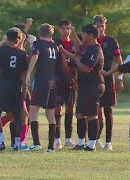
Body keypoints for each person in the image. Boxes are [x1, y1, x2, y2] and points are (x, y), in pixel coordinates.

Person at [60, 24, 105, 151]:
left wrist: (78, 60)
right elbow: (77, 51)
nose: (82, 36)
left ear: (91, 35)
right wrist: (64, 51)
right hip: (84, 86)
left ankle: (91, 144)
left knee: (92, 115)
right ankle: (80, 143)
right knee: (79, 114)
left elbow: (86, 68)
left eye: (84, 34)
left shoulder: (96, 50)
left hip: (94, 85)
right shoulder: (86, 47)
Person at [0, 27, 28, 151]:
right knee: (17, 116)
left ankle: (1, 142)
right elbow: (24, 74)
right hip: (16, 87)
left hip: (3, 87)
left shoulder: (1, 51)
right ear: (18, 39)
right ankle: (16, 143)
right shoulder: (22, 54)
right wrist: (24, 90)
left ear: (7, 38)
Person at [24, 23, 59, 153]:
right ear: (51, 34)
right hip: (53, 81)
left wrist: (28, 73)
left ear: (39, 34)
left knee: (33, 111)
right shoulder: (55, 46)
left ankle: (37, 143)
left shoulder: (38, 44)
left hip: (42, 80)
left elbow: (35, 56)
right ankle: (50, 146)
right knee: (50, 113)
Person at [93, 15, 124, 150]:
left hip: (107, 78)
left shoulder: (111, 41)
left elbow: (119, 62)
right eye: (98, 26)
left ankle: (108, 142)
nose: (100, 29)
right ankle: (95, 138)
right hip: (92, 80)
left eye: (102, 26)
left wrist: (118, 77)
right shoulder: (90, 40)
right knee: (95, 111)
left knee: (108, 110)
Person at [53, 19, 77, 149]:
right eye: (63, 28)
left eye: (68, 28)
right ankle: (57, 140)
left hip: (71, 80)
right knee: (57, 108)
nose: (66, 31)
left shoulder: (74, 44)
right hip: (58, 80)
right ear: (59, 29)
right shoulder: (54, 43)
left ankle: (68, 139)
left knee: (70, 108)